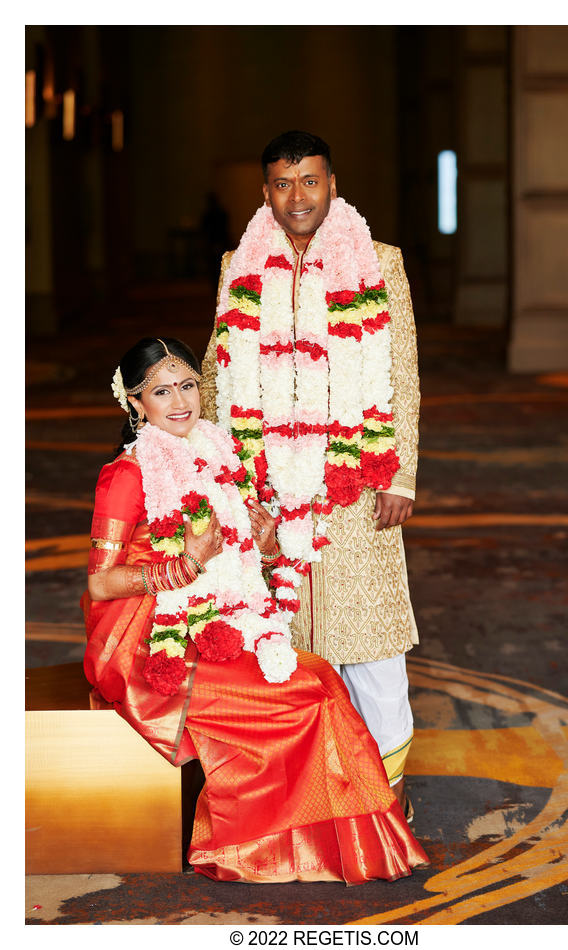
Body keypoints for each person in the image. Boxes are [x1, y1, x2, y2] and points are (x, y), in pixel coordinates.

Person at [82, 336, 427, 884]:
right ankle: (258, 850)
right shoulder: (127, 475)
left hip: (220, 622)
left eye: (189, 385)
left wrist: (263, 543)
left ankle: (331, 845)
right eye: (161, 391)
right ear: (133, 403)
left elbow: (238, 557)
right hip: (149, 641)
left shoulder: (216, 451)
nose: (180, 401)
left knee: (319, 680)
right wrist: (184, 565)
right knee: (300, 697)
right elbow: (101, 585)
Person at [201, 130, 420, 818]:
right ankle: (306, 794)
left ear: (332, 182)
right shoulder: (238, 263)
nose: (297, 197)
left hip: (355, 482)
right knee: (278, 646)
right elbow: (215, 373)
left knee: (371, 647)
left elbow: (401, 375)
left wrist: (401, 475)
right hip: (268, 491)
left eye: (310, 181)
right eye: (282, 184)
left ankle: (385, 797)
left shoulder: (380, 262)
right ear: (264, 192)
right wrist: (225, 480)